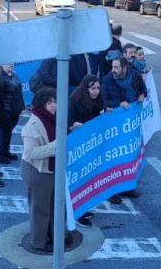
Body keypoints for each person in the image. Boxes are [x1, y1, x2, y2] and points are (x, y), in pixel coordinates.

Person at [21, 87, 81, 253]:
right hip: (37, 171)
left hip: (53, 168)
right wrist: (56, 146)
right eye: (49, 102)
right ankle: (39, 242)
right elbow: (31, 153)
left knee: (57, 205)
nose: (54, 105)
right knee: (40, 208)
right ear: (41, 104)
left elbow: (59, 133)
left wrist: (71, 129)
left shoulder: (53, 118)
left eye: (55, 101)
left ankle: (57, 236)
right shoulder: (31, 125)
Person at [101, 56, 146, 201]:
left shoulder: (135, 76)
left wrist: (142, 95)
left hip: (130, 125)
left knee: (129, 155)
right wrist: (119, 103)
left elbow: (143, 89)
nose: (113, 70)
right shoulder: (108, 80)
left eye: (116, 67)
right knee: (114, 157)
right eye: (112, 67)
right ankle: (111, 191)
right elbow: (103, 100)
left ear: (125, 68)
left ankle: (127, 186)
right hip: (114, 126)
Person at [67, 74, 110, 226]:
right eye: (93, 88)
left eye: (98, 88)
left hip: (93, 145)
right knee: (82, 179)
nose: (96, 91)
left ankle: (84, 207)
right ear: (86, 88)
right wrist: (75, 126)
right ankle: (78, 212)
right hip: (81, 147)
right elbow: (69, 125)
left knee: (91, 177)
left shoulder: (98, 101)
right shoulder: (76, 101)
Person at [0, 63, 24, 165]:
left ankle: (5, 151)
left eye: (12, 62)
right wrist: (4, 111)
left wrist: (21, 106)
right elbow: (0, 96)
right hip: (6, 110)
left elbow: (19, 92)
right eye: (8, 62)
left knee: (9, 132)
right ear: (2, 64)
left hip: (15, 109)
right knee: (3, 132)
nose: (11, 64)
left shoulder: (15, 74)